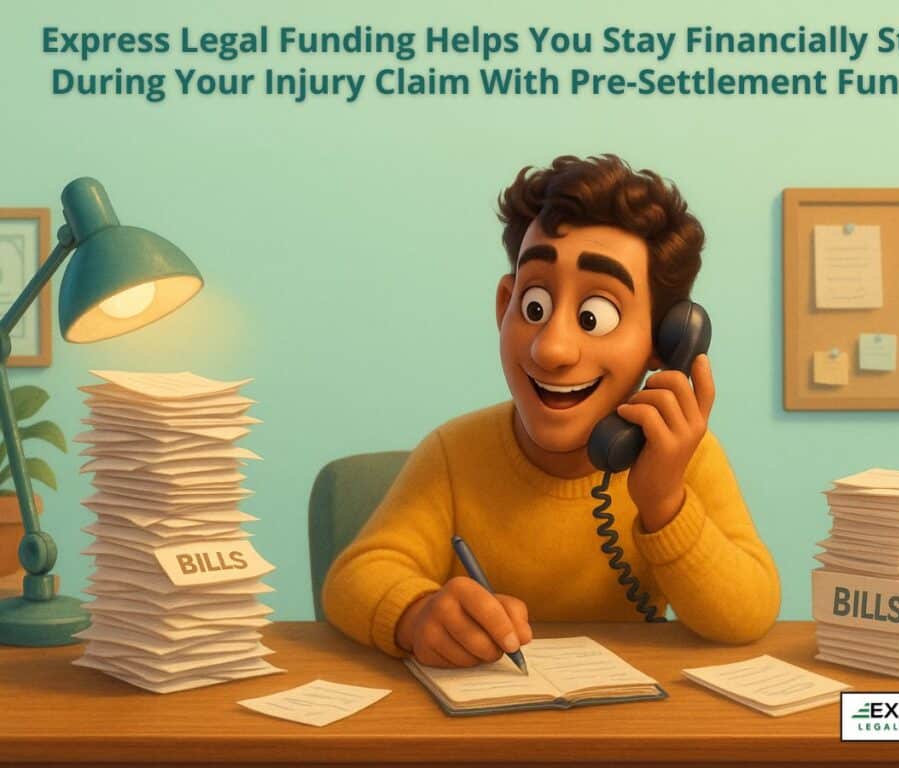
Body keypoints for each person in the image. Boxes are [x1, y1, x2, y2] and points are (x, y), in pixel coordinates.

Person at [322, 154, 780, 668]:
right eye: (534, 306)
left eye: (595, 316)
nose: (551, 349)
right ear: (505, 305)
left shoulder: (683, 458)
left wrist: (664, 501)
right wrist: (417, 614)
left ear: (666, 340)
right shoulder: (455, 453)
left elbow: (749, 613)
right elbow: (356, 577)